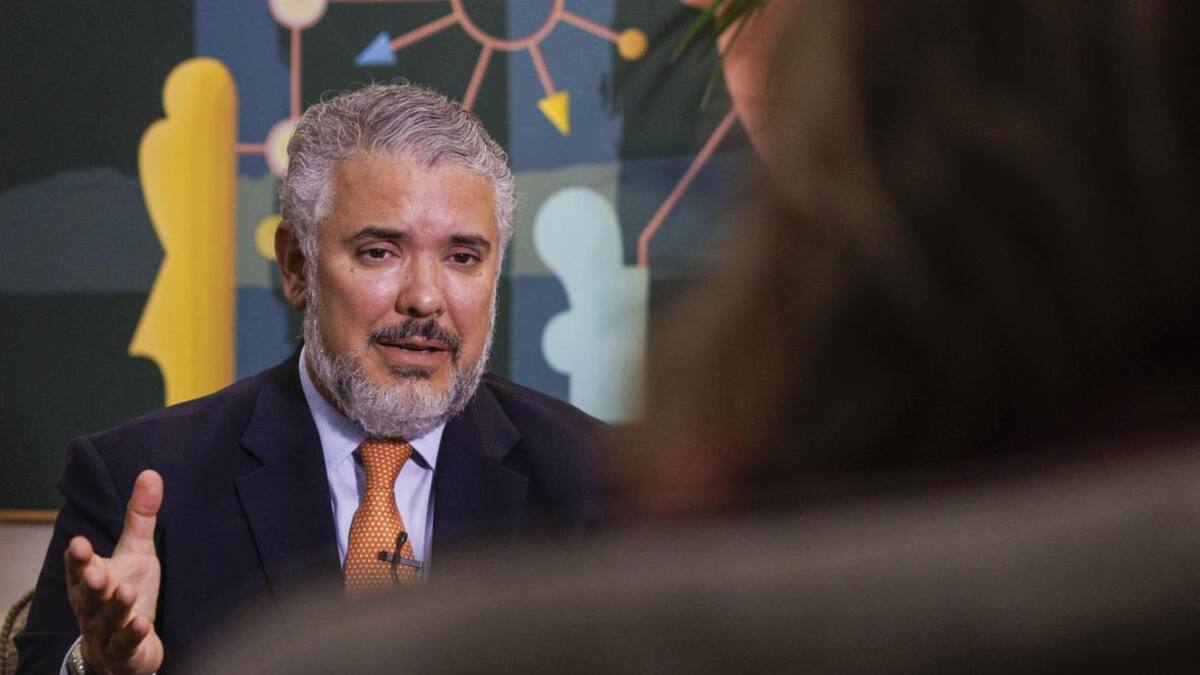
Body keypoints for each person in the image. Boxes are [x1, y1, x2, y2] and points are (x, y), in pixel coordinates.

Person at [15, 83, 604, 675]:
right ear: (297, 265)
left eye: (463, 257)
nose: (425, 299)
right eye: (380, 251)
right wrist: (97, 666)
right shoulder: (137, 480)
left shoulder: (600, 478)